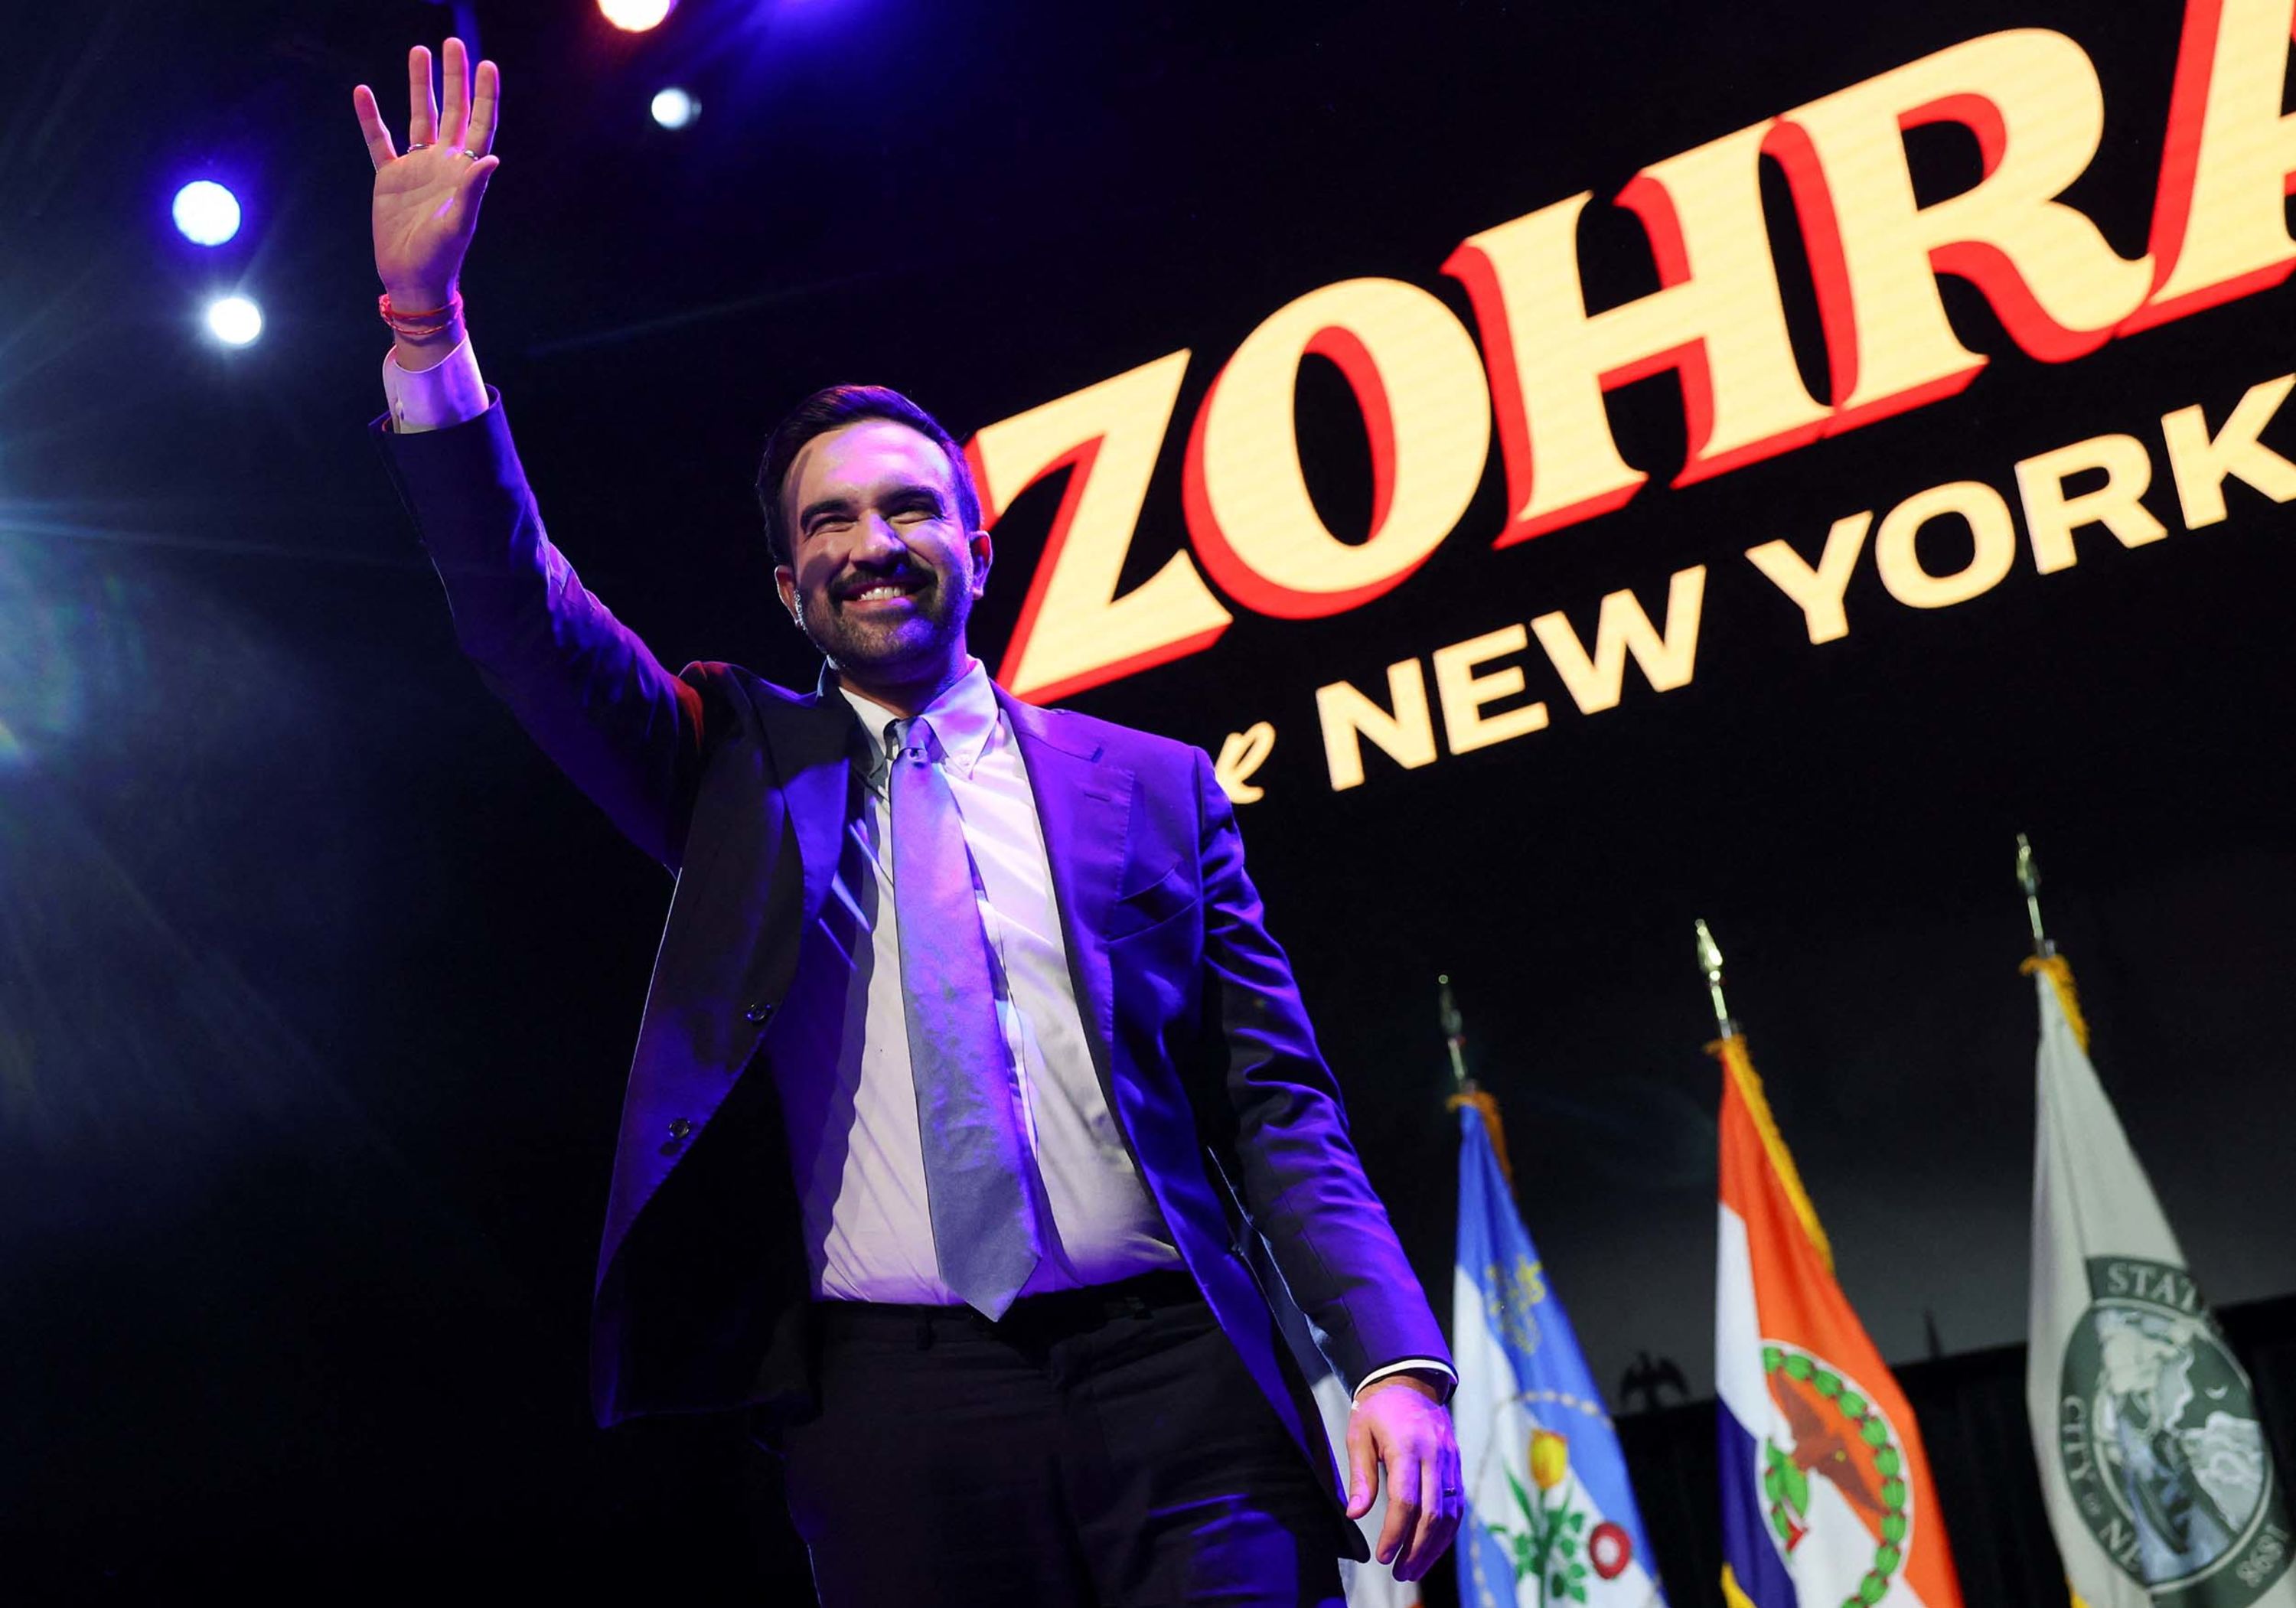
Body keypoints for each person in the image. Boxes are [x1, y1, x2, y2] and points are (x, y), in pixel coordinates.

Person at [354, 38, 1462, 1606]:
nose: (874, 543)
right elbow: (522, 620)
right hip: (890, 1405)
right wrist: (427, 327)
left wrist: (1394, 1359)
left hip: (1183, 1389)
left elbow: (1278, 1108)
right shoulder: (725, 757)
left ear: (976, 540)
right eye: (830, 523)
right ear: (789, 584)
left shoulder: (1154, 785)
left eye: (907, 507)